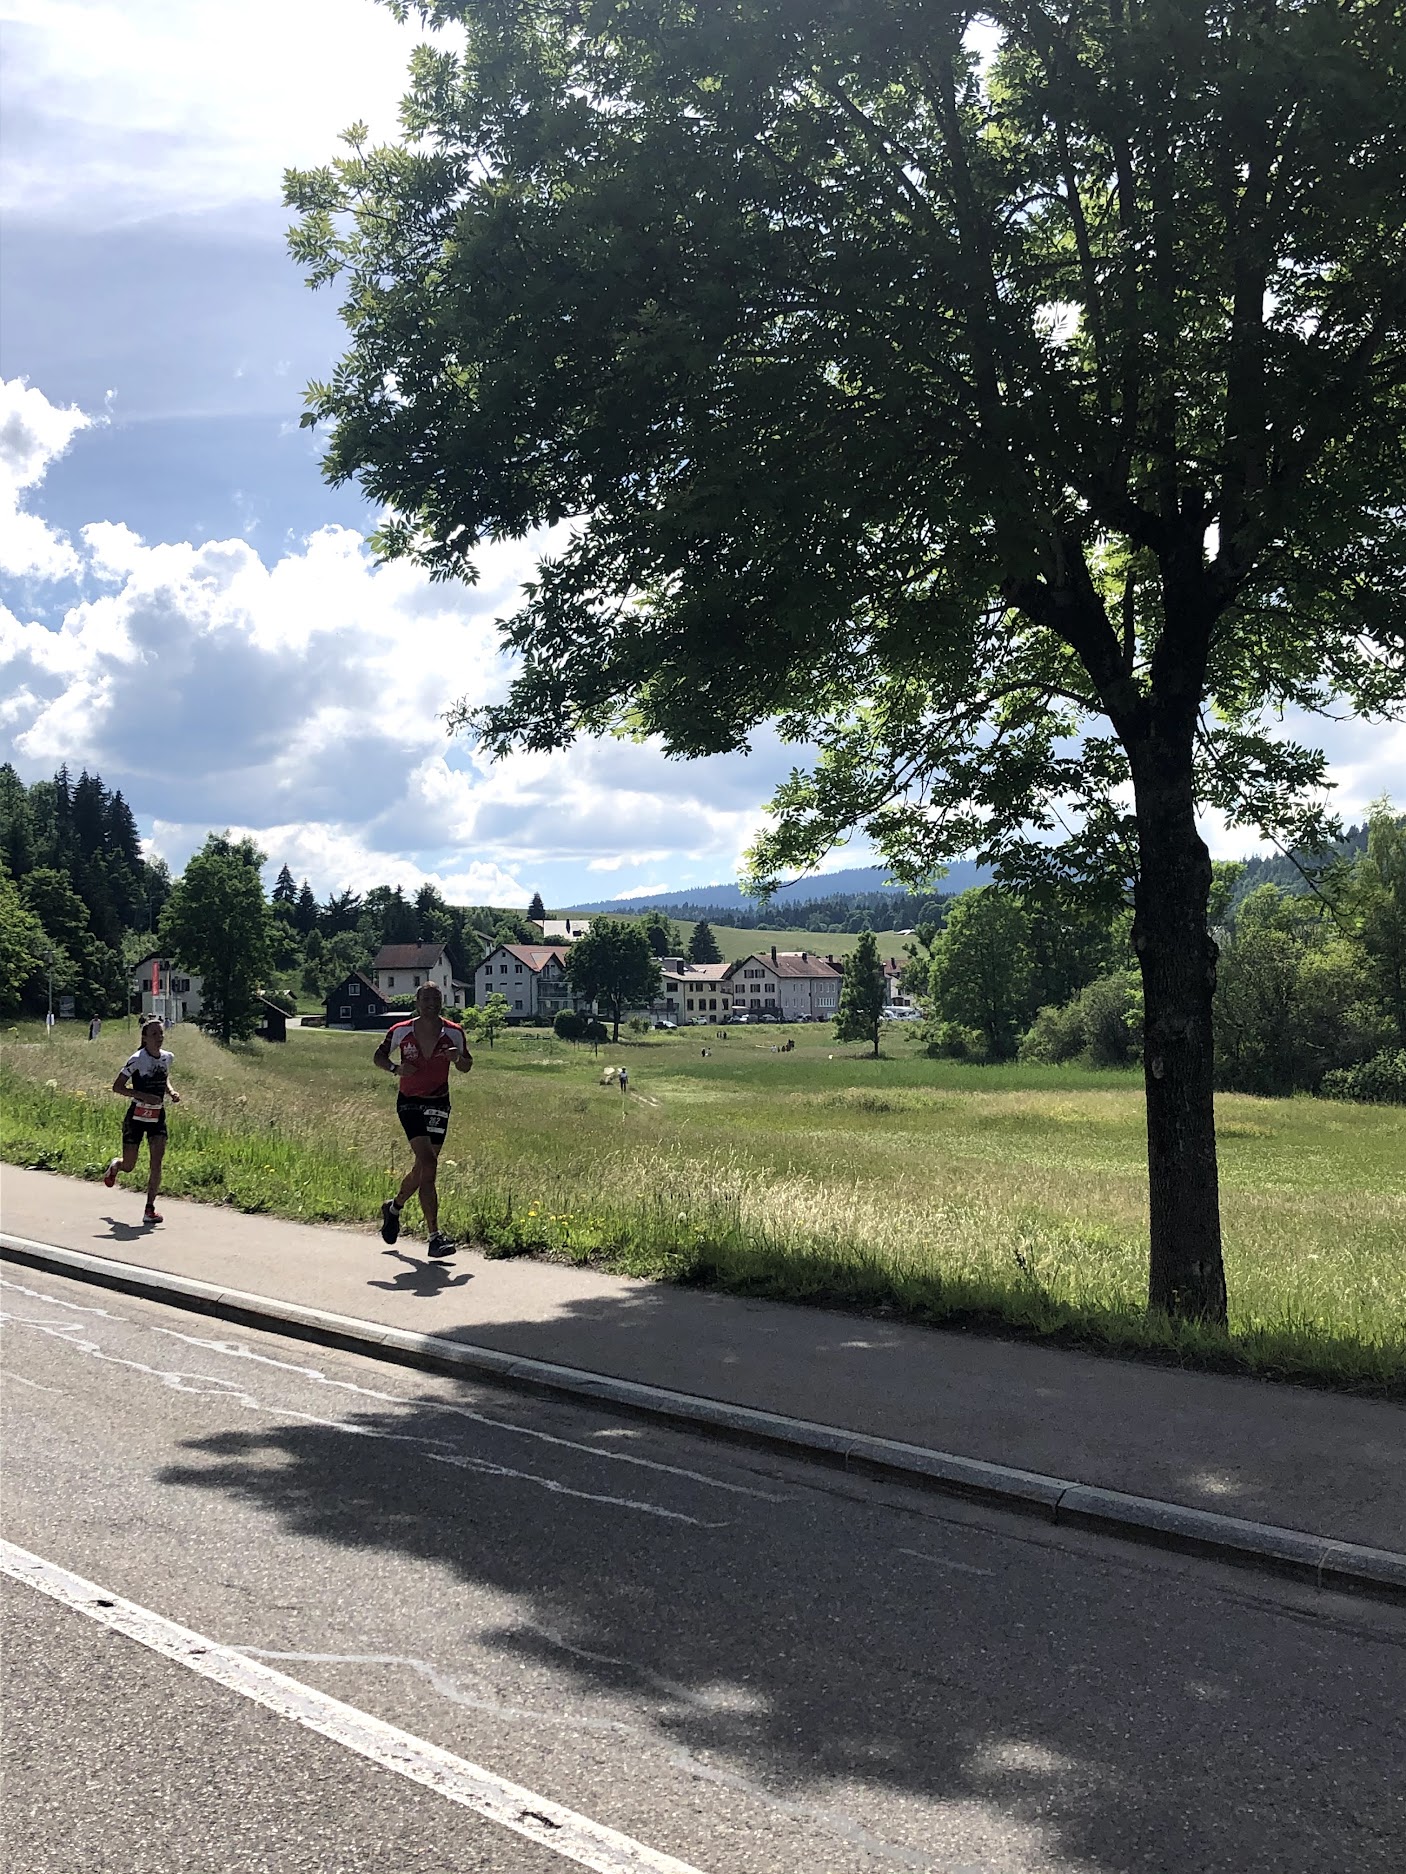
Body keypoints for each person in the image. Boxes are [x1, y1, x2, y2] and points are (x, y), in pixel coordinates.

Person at [374, 982, 472, 1258]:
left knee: (423, 1167)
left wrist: (456, 1059)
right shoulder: (401, 1030)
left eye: (436, 998)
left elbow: (467, 1064)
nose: (431, 1003)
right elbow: (378, 1056)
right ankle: (434, 1236)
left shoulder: (454, 1032)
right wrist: (395, 1068)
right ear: (417, 1002)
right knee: (429, 1163)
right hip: (410, 1102)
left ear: (442, 1002)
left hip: (439, 1102)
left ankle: (394, 1207)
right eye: (426, 998)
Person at [103, 1017, 181, 1224]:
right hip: (137, 1116)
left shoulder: (167, 1057)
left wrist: (171, 1092)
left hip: (157, 1117)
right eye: (154, 1034)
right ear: (145, 1038)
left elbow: (163, 1078)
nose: (159, 1038)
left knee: (157, 1163)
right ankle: (116, 1166)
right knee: (130, 1165)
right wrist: (143, 1096)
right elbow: (117, 1087)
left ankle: (149, 1209)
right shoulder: (137, 1059)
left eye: (161, 1034)